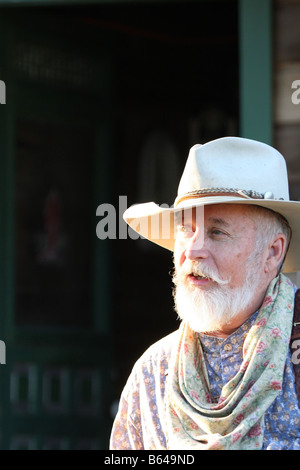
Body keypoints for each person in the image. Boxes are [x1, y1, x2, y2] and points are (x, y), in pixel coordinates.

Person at [110, 137, 300, 450]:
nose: (193, 250)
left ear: (272, 252)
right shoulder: (153, 372)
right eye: (185, 229)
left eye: (217, 232)